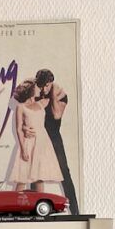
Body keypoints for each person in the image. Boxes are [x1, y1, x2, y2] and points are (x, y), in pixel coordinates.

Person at [5, 79, 63, 192]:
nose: (39, 88)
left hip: (42, 143)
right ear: (30, 91)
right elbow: (18, 129)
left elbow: (52, 90)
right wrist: (23, 149)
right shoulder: (20, 107)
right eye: (36, 87)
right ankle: (16, 207)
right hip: (28, 143)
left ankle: (39, 206)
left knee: (39, 178)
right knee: (22, 178)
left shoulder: (41, 102)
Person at [35, 68, 79, 215]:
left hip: (53, 137)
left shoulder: (61, 96)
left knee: (64, 174)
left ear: (51, 83)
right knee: (35, 174)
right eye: (41, 86)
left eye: (46, 86)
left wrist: (52, 95)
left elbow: (56, 116)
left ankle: (75, 212)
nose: (43, 89)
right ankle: (36, 212)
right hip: (39, 137)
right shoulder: (36, 94)